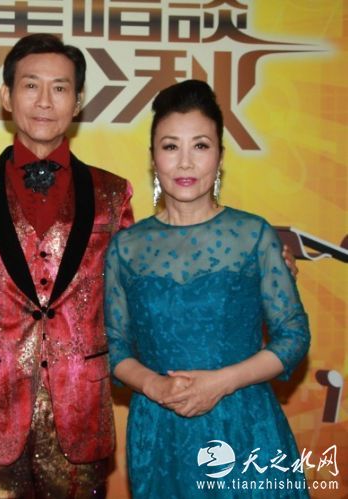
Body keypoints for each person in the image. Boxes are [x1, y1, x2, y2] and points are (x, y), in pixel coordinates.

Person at [0, 34, 133, 497]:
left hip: (81, 410)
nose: (45, 101)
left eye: (60, 88)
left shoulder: (113, 194)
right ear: (7, 96)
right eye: (31, 85)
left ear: (78, 101)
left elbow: (140, 283)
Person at [104, 79, 310, 498]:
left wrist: (222, 382)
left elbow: (293, 336)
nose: (185, 162)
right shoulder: (126, 247)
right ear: (153, 157)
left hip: (244, 424)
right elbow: (113, 345)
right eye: (170, 146)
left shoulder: (253, 234)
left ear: (219, 155)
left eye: (200, 145)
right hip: (160, 431)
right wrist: (154, 385)